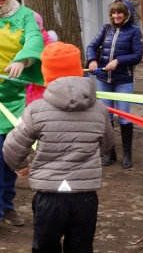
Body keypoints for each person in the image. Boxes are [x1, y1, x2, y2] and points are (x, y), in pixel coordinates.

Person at [3, 41, 115, 252]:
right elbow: (107, 145)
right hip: (85, 195)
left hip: (49, 195)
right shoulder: (99, 109)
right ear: (77, 70)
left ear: (47, 73)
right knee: (81, 247)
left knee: (45, 247)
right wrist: (88, 157)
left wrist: (21, 165)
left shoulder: (36, 109)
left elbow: (12, 146)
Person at [0, 0, 44, 227]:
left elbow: (34, 39)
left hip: (13, 102)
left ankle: (6, 206)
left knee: (9, 157)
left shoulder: (25, 15)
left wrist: (23, 59)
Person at [86, 0, 143, 169]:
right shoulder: (106, 29)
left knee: (125, 117)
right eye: (113, 12)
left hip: (123, 81)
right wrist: (92, 61)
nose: (116, 15)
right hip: (104, 80)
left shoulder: (134, 31)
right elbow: (91, 46)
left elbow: (138, 55)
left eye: (119, 12)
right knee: (106, 118)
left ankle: (127, 153)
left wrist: (118, 61)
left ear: (127, 14)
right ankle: (109, 152)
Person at [26, 12, 58, 105]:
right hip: (27, 84)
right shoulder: (25, 40)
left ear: (40, 25)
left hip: (42, 83)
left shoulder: (47, 43)